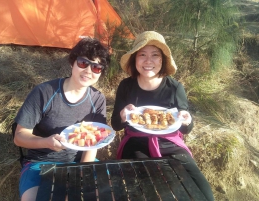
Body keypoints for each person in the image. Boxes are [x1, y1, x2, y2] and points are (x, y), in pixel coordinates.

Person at [111, 31, 214, 201]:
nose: (148, 61)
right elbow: (116, 124)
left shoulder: (175, 88)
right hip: (136, 144)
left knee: (202, 191)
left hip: (171, 144)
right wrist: (123, 115)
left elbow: (185, 128)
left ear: (163, 60)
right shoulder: (126, 86)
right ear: (134, 59)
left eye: (155, 55)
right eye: (142, 54)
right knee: (144, 190)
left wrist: (187, 120)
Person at [13, 37, 110, 201]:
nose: (88, 71)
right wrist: (46, 142)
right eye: (83, 63)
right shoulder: (44, 92)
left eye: (96, 67)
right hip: (41, 163)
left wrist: (83, 171)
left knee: (111, 194)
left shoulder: (98, 99)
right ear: (72, 62)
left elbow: (95, 141)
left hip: (80, 160)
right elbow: (19, 137)